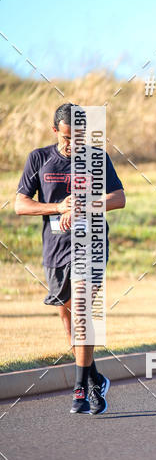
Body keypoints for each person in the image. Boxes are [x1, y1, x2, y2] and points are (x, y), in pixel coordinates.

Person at [15, 102, 126, 415]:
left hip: (90, 244)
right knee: (69, 321)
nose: (72, 144)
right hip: (55, 249)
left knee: (80, 309)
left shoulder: (96, 158)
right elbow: (20, 204)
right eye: (66, 138)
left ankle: (79, 390)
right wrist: (57, 208)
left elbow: (118, 198)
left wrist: (84, 205)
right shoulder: (39, 158)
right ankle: (93, 379)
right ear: (55, 131)